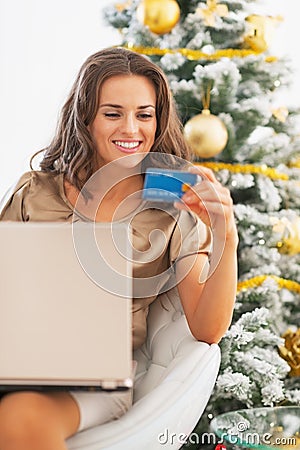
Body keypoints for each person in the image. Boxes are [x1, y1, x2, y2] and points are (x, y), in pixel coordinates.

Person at [0, 46, 238, 450]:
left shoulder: (171, 208)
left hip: (90, 383)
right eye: (113, 113)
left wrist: (225, 234)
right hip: (15, 361)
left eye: (144, 115)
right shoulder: (35, 190)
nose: (131, 129)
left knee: (17, 419)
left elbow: (207, 328)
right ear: (86, 120)